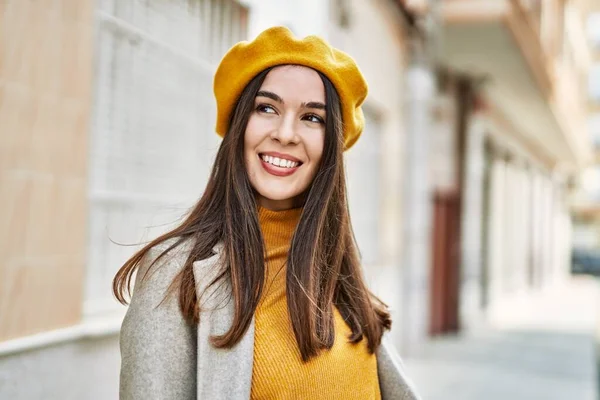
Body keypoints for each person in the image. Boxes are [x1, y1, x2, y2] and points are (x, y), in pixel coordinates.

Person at [113, 26, 419, 400]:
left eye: (312, 117)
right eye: (267, 108)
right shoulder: (175, 276)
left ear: (331, 146)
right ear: (239, 125)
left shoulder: (339, 277)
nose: (286, 133)